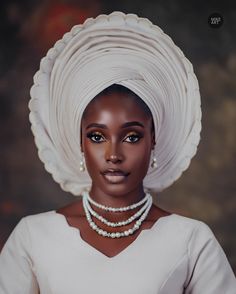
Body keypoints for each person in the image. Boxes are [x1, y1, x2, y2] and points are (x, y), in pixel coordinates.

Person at [0, 11, 235, 294]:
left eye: (132, 136)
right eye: (97, 136)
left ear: (154, 141)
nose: (113, 154)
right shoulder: (33, 236)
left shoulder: (191, 240)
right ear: (80, 143)